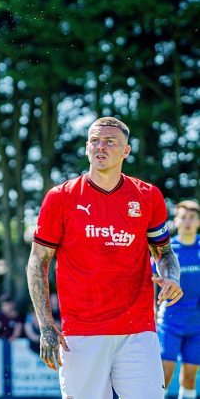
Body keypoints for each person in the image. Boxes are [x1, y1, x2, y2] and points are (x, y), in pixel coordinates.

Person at [26, 116, 182, 399]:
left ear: (126, 151)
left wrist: (171, 277)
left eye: (110, 142)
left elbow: (164, 251)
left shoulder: (148, 196)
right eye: (95, 141)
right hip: (81, 334)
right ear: (86, 148)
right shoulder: (61, 197)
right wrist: (47, 326)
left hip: (138, 331)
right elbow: (38, 262)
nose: (101, 147)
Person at [158, 200, 200, 399]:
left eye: (192, 217)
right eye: (183, 217)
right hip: (170, 323)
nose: (188, 221)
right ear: (176, 221)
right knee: (164, 374)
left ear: (198, 221)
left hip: (197, 325)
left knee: (190, 377)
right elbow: (151, 284)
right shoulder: (167, 251)